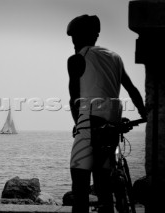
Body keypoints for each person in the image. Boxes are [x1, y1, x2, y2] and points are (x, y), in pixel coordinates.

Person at [66, 14, 146, 213]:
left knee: (80, 180)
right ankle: (108, 206)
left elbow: (73, 98)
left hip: (89, 122)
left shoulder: (77, 59)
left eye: (74, 37)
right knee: (104, 181)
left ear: (83, 36)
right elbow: (132, 89)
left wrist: (78, 125)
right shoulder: (115, 57)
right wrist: (145, 113)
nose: (73, 42)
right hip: (113, 125)